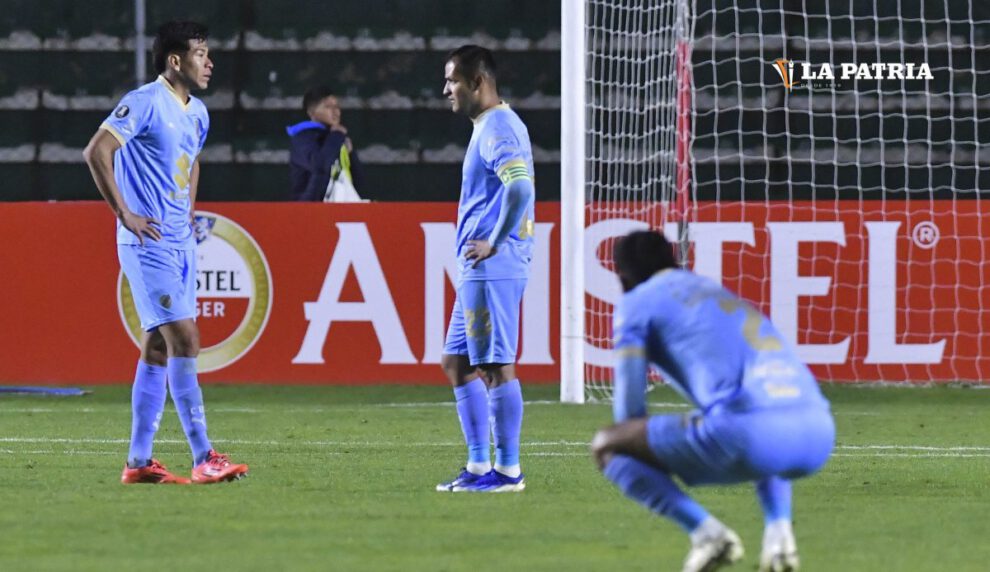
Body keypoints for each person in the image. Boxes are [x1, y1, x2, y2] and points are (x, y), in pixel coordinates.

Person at [590, 230, 835, 572]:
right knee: (754, 408)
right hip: (819, 432)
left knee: (610, 444)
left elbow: (629, 414)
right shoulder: (712, 290)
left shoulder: (637, 303)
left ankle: (707, 535)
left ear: (622, 278)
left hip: (751, 435)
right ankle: (780, 536)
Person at [83, 20, 248, 485]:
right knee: (186, 338)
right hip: (146, 243)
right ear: (175, 60)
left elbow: (192, 160)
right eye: (200, 53)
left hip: (180, 242)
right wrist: (124, 213)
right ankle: (204, 456)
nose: (209, 62)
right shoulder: (145, 102)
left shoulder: (198, 113)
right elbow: (97, 151)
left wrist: (188, 209)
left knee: (158, 345)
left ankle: (138, 462)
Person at [435, 45, 536, 493]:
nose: (446, 90)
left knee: (495, 366)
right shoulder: (491, 125)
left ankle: (508, 470)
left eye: (452, 80)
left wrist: (494, 240)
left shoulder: (497, 127)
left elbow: (520, 188)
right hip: (479, 267)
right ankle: (478, 465)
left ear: (477, 82)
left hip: (493, 264)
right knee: (456, 362)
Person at [287, 86, 366, 202]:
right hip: (309, 208)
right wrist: (336, 137)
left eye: (337, 107)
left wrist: (351, 153)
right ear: (311, 112)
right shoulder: (302, 138)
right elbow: (319, 165)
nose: (335, 112)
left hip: (341, 205)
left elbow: (358, 181)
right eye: (328, 107)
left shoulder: (338, 137)